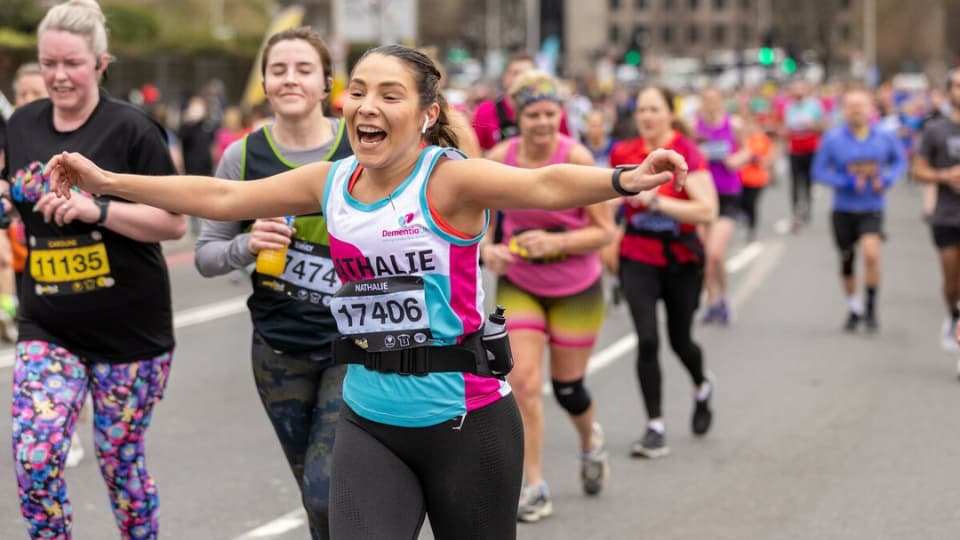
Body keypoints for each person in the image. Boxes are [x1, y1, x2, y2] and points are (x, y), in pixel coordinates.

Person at [46, 44, 687, 540]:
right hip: (370, 416)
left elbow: (543, 186)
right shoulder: (331, 180)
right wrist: (108, 180)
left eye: (388, 94)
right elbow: (223, 196)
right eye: (356, 92)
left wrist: (626, 178)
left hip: (465, 421)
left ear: (427, 114)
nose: (366, 106)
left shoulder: (449, 181)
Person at [4, 1, 187, 538]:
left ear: (101, 63)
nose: (59, 75)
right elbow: (15, 195)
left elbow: (174, 222)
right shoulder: (21, 124)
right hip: (48, 326)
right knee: (35, 462)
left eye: (72, 63)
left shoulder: (131, 130)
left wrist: (97, 208)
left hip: (130, 335)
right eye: (48, 63)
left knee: (120, 467)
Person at [194, 27, 351, 539]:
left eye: (304, 69)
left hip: (354, 346)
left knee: (330, 489)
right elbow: (206, 256)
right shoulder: (242, 158)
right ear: (264, 81)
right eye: (278, 69)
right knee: (313, 489)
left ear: (326, 82)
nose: (290, 79)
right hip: (278, 348)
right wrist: (247, 244)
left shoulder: (357, 145)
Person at [482, 70, 615, 523]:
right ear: (518, 116)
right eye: (533, 114)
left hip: (576, 288)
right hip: (520, 284)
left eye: (550, 113)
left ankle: (588, 442)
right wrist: (488, 249)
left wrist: (556, 243)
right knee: (522, 384)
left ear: (561, 114)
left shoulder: (575, 156)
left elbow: (604, 231)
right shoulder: (499, 157)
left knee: (568, 389)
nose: (542, 123)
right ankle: (533, 484)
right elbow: (475, 226)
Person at [608, 86, 718, 458]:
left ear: (671, 113)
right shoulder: (624, 152)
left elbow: (707, 211)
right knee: (648, 338)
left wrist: (660, 201)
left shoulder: (687, 152)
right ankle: (655, 425)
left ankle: (702, 385)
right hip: (637, 255)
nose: (647, 116)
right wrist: (610, 245)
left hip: (681, 259)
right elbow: (610, 206)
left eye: (655, 109)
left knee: (680, 340)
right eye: (641, 110)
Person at [812, 87, 907, 332]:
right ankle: (855, 307)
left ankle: (872, 307)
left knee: (872, 252)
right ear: (843, 110)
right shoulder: (833, 139)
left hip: (871, 206)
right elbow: (819, 171)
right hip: (843, 207)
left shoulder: (884, 136)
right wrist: (844, 182)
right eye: (851, 106)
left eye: (861, 105)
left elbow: (900, 162)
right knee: (847, 260)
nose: (856, 110)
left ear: (871, 108)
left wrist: (885, 180)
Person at [914, 69, 960, 360]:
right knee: (952, 284)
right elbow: (918, 170)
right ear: (949, 92)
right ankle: (952, 314)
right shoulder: (935, 130)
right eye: (958, 85)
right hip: (947, 215)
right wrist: (946, 176)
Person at [695, 87, 750, 325]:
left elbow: (749, 150)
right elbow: (683, 150)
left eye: (715, 101)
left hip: (727, 193)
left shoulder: (733, 124)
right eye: (707, 100)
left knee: (715, 252)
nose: (711, 105)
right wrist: (699, 155)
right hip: (701, 193)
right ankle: (712, 301)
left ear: (722, 102)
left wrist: (735, 160)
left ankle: (724, 297)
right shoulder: (694, 126)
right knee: (704, 255)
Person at [471, 52, 569, 153]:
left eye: (527, 74)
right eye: (515, 73)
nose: (521, 78)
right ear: (505, 78)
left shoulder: (553, 112)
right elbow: (475, 150)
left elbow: (565, 148)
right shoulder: (486, 110)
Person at [780, 80, 826, 231]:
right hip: (794, 149)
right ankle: (795, 211)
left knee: (807, 181)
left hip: (811, 148)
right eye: (795, 90)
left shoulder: (814, 106)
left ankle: (807, 210)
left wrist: (811, 125)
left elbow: (823, 126)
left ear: (806, 91)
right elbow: (785, 128)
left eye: (800, 89)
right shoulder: (789, 107)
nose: (798, 93)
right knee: (794, 182)